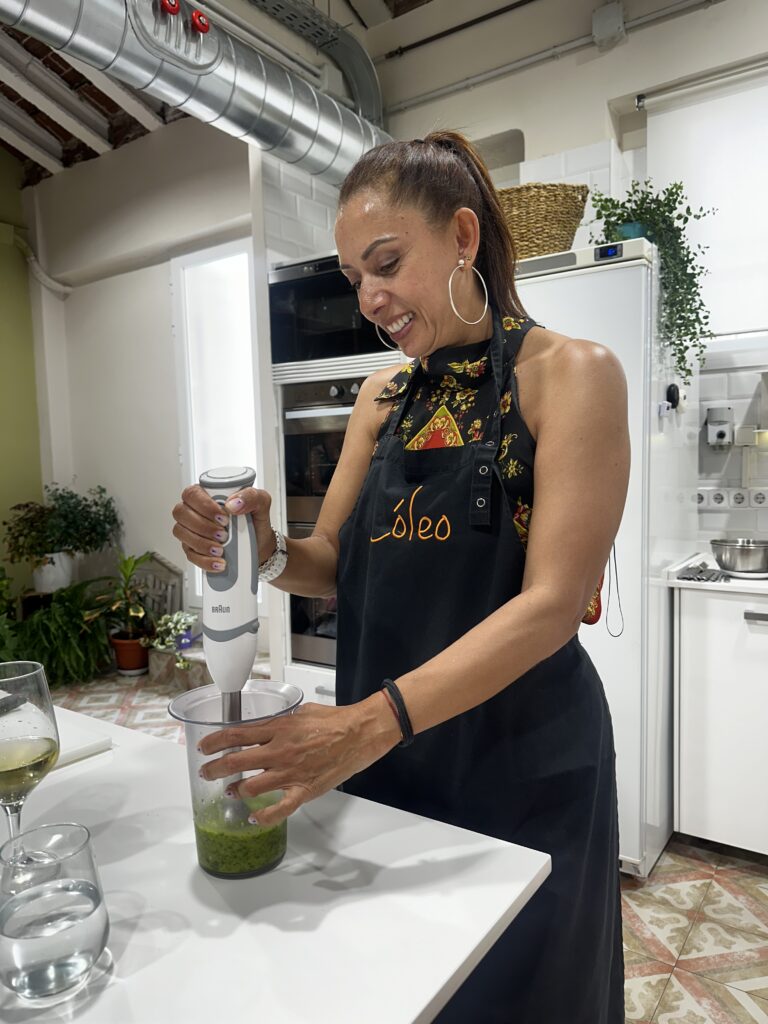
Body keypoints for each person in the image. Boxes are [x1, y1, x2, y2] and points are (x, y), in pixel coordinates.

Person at [172, 130, 629, 1023]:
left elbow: (551, 608)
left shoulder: (569, 377)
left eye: (386, 263)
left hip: (521, 765)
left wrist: (366, 723)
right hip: (395, 762)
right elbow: (328, 565)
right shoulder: (382, 403)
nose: (372, 299)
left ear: (463, 237)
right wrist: (257, 545)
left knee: (533, 996)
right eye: (354, 278)